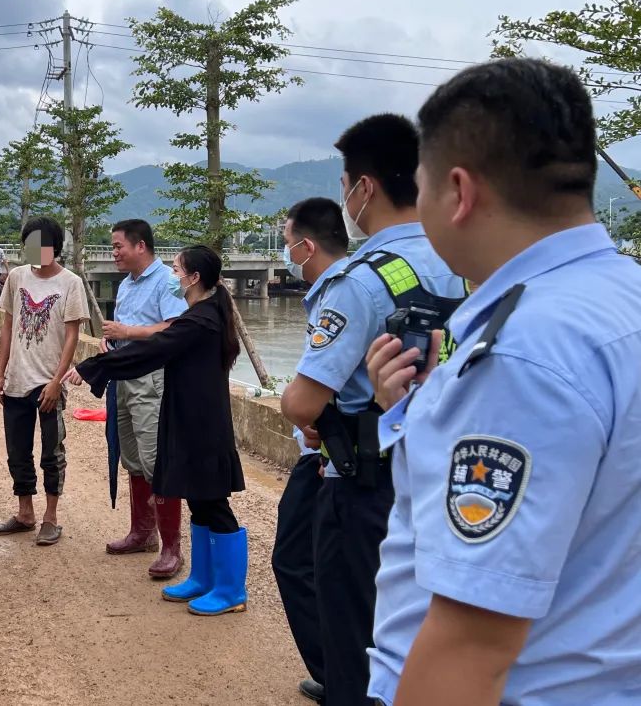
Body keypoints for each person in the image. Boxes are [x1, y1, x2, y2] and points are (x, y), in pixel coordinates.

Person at [365, 59, 641, 706]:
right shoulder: (620, 299)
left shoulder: (522, 354)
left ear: (458, 192)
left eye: (422, 187)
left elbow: (470, 647)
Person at [280, 114, 465, 706]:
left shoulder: (359, 281)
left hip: (368, 481)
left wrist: (306, 411)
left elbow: (301, 402)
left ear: (364, 188)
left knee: (356, 629)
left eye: (344, 184)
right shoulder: (466, 264)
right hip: (454, 472)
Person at [66, 245, 247, 616]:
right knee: (198, 500)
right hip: (190, 419)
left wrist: (94, 366)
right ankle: (203, 578)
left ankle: (231, 591)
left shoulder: (201, 320)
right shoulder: (201, 314)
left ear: (194, 278)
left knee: (214, 504)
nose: (173, 276)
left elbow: (151, 351)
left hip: (204, 425)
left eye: (177, 270)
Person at [272, 198, 350, 705]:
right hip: (328, 449)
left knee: (297, 560)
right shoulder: (337, 289)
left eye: (286, 243)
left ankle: (339, 675)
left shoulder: (343, 292)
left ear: (306, 246)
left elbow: (302, 400)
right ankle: (340, 672)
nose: (285, 254)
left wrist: (307, 414)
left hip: (332, 456)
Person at [0, 217, 88, 547]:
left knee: (52, 452)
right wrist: (0, 373)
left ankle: (51, 518)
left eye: (40, 245)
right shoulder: (17, 277)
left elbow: (72, 335)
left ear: (54, 247)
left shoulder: (71, 283)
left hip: (47, 382)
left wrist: (57, 381)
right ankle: (25, 513)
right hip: (16, 379)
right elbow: (7, 327)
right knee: (17, 451)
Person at [101, 219, 188, 579]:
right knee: (132, 457)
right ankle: (142, 533)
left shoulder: (167, 281)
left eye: (118, 246)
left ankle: (171, 547)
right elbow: (125, 329)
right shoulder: (126, 284)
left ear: (140, 246)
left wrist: (128, 331)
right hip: (124, 375)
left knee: (156, 459)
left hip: (152, 378)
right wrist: (113, 340)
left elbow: (177, 327)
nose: (114, 253)